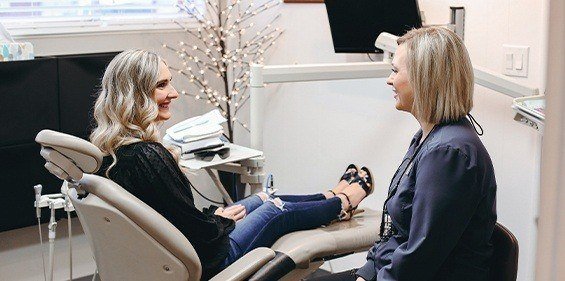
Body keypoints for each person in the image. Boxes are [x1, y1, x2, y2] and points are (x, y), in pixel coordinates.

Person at [89, 49, 374, 280]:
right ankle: (344, 202)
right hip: (206, 258)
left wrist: (215, 215)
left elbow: (170, 214)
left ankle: (330, 195)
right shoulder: (148, 156)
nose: (174, 93)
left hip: (179, 248)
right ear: (136, 94)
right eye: (162, 85)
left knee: (264, 198)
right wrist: (220, 220)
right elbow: (194, 231)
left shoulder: (111, 153)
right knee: (277, 211)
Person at [310, 27, 497, 281]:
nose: (389, 80)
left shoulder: (448, 153)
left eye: (395, 71)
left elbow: (421, 256)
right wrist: (366, 273)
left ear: (425, 78)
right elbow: (395, 232)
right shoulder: (427, 138)